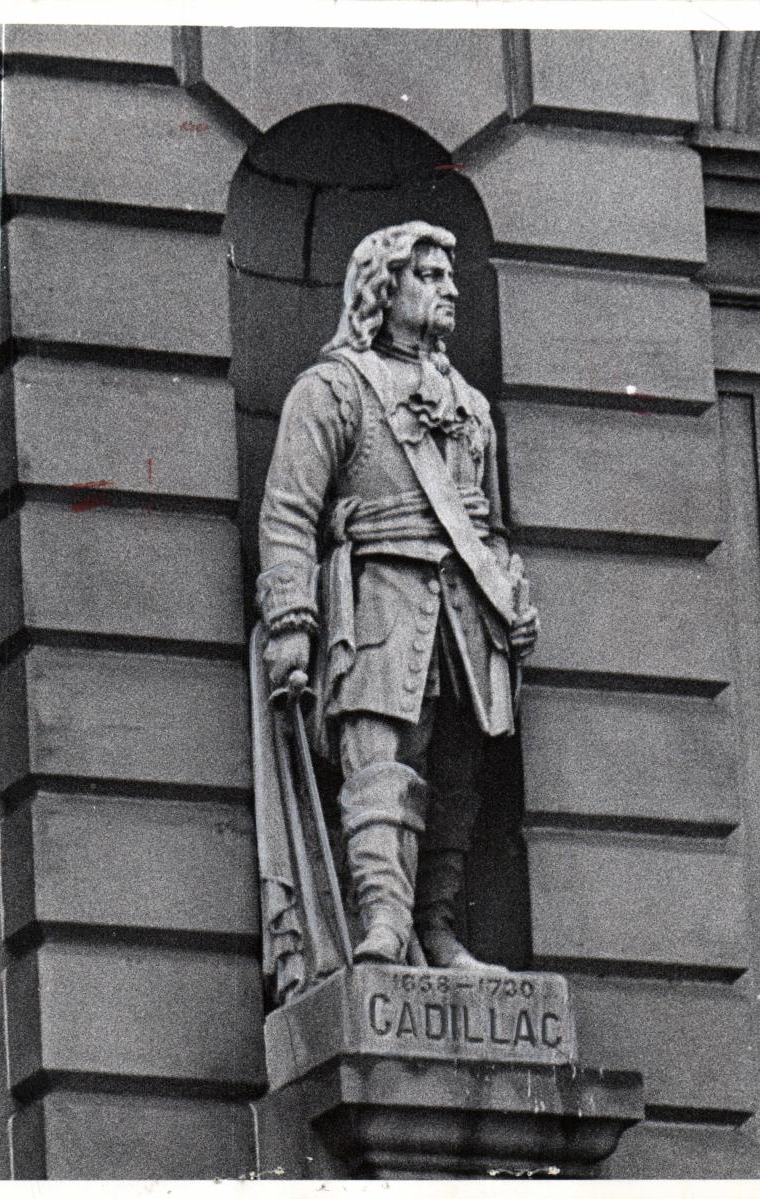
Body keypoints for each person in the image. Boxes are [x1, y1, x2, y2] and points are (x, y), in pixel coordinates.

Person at [256, 221, 539, 968]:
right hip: (378, 599)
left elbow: (492, 527)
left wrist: (511, 591)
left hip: (466, 618)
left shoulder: (472, 407)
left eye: (450, 276)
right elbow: (289, 508)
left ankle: (437, 931)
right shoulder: (332, 389)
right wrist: (292, 619)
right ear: (384, 287)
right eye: (430, 276)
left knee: (455, 780)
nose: (450, 288)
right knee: (378, 765)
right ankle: (384, 923)